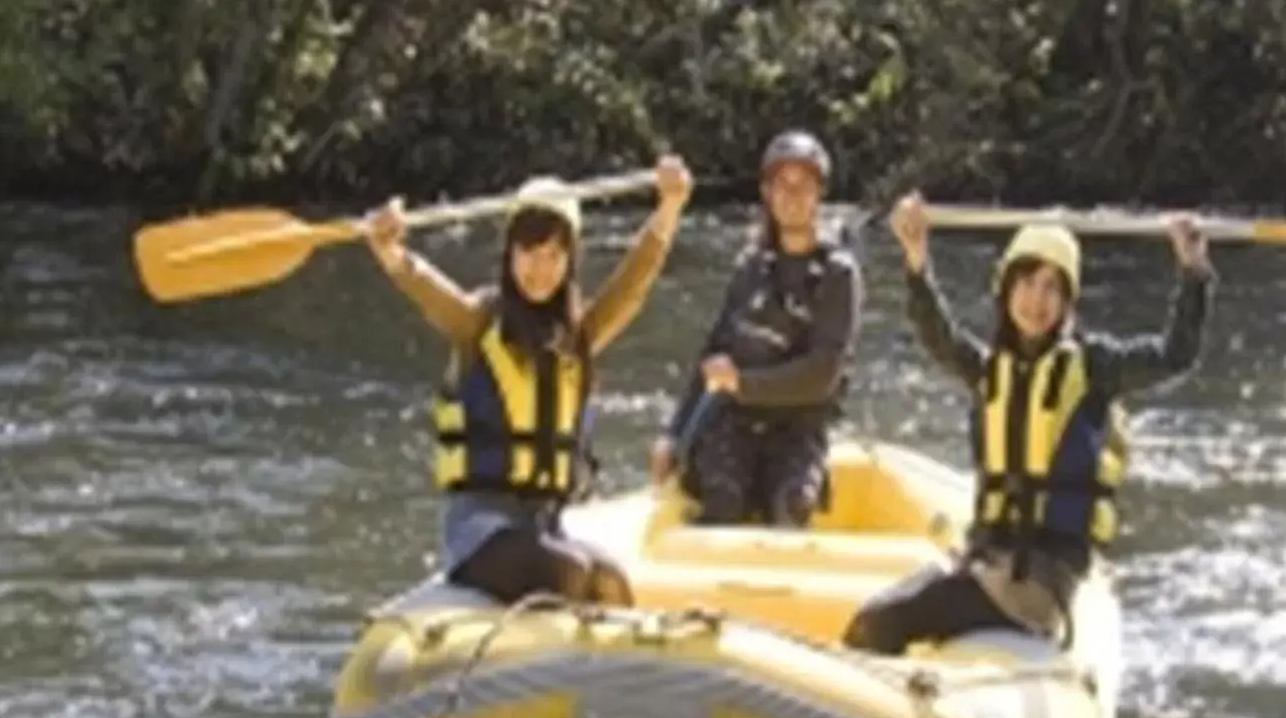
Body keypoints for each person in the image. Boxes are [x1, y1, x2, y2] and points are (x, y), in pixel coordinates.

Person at [844, 193, 1212, 654]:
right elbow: (940, 337)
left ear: (1067, 303)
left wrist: (1193, 271)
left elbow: (1176, 354)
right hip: (988, 561)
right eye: (1027, 284)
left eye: (1052, 288)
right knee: (881, 613)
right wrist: (917, 260)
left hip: (1041, 581)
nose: (1037, 301)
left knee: (882, 623)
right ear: (1006, 290)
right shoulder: (991, 368)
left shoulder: (1095, 368)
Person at [362, 155, 693, 606]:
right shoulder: (478, 324)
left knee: (610, 582)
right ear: (509, 254)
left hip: (545, 525)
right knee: (569, 571)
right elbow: (429, 292)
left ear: (570, 262)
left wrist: (669, 208)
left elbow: (631, 287)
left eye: (555, 255)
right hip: (481, 531)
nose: (541, 269)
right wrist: (391, 253)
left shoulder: (579, 336)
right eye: (530, 253)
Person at [651, 128, 863, 527]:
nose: (793, 196)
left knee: (793, 504)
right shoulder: (752, 265)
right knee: (723, 500)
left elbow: (823, 374)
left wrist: (743, 383)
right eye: (783, 185)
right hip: (734, 424)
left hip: (797, 429)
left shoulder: (838, 274)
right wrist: (674, 434)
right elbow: (713, 352)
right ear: (767, 192)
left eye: (804, 186)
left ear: (819, 194)